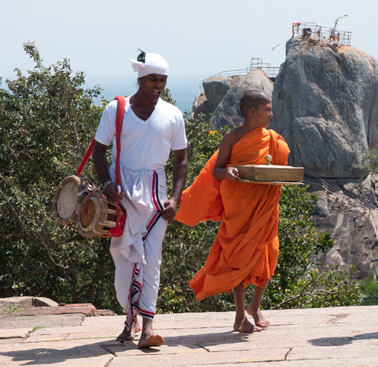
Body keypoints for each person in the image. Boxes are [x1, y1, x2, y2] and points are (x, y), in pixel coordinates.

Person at [92, 51, 188, 348]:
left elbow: (181, 160)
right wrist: (107, 184)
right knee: (123, 259)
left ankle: (147, 327)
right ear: (141, 79)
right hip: (122, 196)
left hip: (157, 199)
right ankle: (129, 317)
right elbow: (98, 151)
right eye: (153, 79)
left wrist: (175, 197)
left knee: (151, 260)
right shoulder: (116, 110)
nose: (158, 84)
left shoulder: (173, 114)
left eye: (162, 79)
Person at [175, 90, 289, 333]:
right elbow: (217, 170)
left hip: (265, 204)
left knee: (270, 251)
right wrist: (227, 173)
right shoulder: (233, 137)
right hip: (239, 206)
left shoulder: (271, 138)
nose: (271, 113)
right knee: (238, 255)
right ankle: (240, 316)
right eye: (267, 109)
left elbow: (279, 167)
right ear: (252, 112)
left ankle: (255, 306)